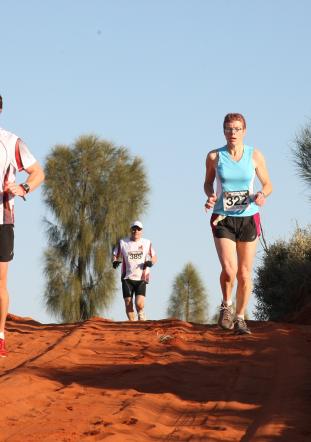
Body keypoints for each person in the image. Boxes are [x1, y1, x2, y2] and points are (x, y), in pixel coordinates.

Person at [204, 113, 272, 335]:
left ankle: (241, 317)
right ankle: (226, 305)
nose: (232, 133)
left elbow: (268, 184)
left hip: (248, 217)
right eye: (228, 129)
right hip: (223, 217)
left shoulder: (254, 155)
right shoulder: (215, 156)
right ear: (223, 131)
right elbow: (207, 183)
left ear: (244, 131)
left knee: (244, 273)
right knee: (229, 269)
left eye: (236, 129)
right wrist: (211, 195)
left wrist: (262, 195)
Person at [0, 94, 44, 357]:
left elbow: (38, 172)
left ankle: (0, 335)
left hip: (2, 219)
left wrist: (23, 187)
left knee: (0, 280)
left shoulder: (11, 142)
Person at [112, 221, 157, 321]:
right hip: (127, 278)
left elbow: (154, 256)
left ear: (141, 231)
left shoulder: (146, 243)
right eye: (134, 229)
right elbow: (115, 254)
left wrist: (151, 262)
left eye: (138, 229)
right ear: (131, 230)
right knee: (128, 302)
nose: (136, 231)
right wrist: (114, 261)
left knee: (139, 304)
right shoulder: (123, 242)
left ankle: (141, 314)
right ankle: (133, 325)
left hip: (141, 277)